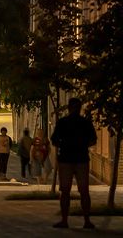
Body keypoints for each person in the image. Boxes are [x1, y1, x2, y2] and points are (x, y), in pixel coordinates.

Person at [51, 97, 97, 230]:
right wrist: (83, 145)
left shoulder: (63, 122)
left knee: (66, 191)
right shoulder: (85, 123)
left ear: (69, 108)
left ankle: (66, 220)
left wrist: (64, 145)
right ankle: (86, 221)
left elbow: (54, 139)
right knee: (83, 191)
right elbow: (93, 139)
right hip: (80, 158)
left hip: (67, 158)